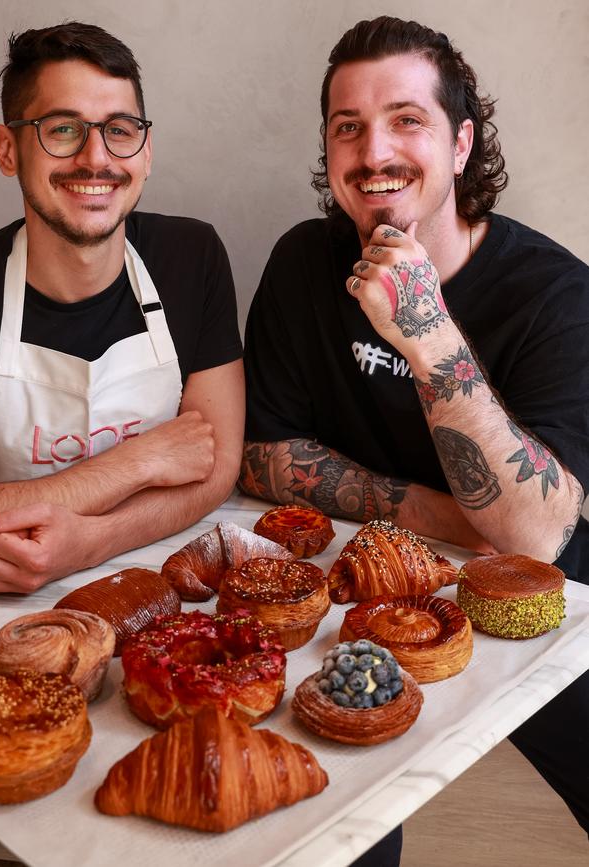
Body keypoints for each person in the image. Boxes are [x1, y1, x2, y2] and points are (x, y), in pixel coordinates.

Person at [240, 16, 589, 867]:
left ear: (462, 143)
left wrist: (428, 333)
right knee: (343, 827)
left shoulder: (555, 295)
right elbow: (262, 457)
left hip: (537, 606)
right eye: (347, 128)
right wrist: (425, 513)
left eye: (407, 120)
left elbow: (536, 532)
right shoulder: (301, 262)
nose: (373, 152)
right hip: (359, 590)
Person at [0, 22, 244, 595]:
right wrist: (134, 464)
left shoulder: (192, 257)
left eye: (119, 131)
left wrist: (90, 542)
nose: (95, 158)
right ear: (8, 149)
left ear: (146, 152)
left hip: (158, 580)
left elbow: (215, 464)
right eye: (63, 129)